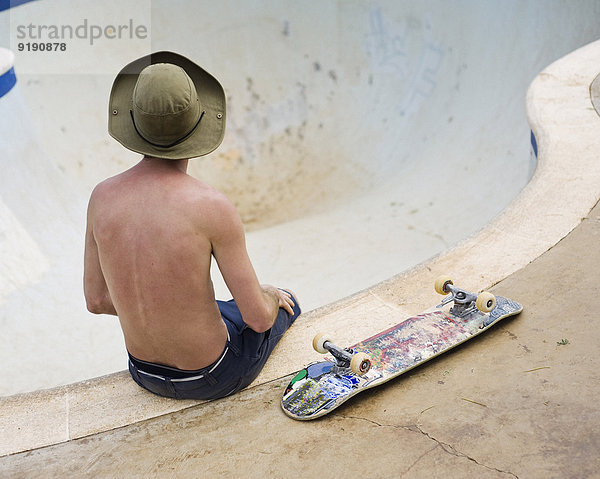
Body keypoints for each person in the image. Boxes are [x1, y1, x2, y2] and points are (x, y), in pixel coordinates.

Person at [83, 51, 301, 400]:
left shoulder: (101, 196)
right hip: (212, 375)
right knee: (284, 303)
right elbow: (258, 319)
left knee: (226, 307)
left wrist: (164, 311)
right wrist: (271, 297)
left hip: (143, 372)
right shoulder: (211, 208)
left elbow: (96, 300)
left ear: (134, 120)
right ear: (197, 124)